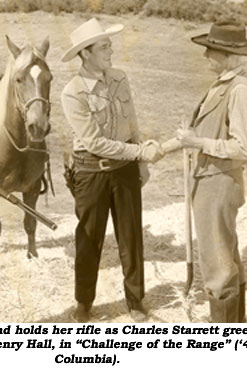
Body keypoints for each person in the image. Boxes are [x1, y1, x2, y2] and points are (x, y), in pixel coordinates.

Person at [61, 18, 163, 322]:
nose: (111, 50)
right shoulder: (72, 92)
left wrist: (140, 162)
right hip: (91, 173)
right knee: (89, 238)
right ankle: (84, 302)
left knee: (131, 237)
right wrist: (139, 152)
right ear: (86, 53)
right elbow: (95, 142)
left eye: (109, 45)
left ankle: (135, 299)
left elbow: (131, 124)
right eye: (104, 46)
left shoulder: (120, 78)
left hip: (126, 172)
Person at [176, 22, 247, 322]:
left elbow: (244, 147)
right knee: (226, 257)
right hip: (211, 180)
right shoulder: (225, 83)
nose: (205, 56)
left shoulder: (238, 90)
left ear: (226, 54)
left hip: (219, 182)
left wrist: (197, 141)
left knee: (218, 266)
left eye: (210, 50)